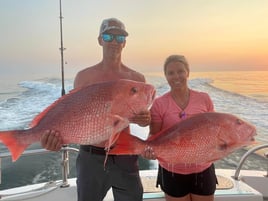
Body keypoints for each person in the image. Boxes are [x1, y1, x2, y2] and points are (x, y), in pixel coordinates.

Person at [41, 18, 151, 201]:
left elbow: (144, 117)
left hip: (124, 156)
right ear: (100, 40)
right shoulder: (84, 77)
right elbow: (71, 115)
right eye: (108, 36)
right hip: (90, 158)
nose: (114, 42)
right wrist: (54, 138)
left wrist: (145, 119)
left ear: (125, 43)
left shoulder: (137, 79)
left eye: (120, 37)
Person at [143, 55, 217, 201]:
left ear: (187, 73)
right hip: (171, 170)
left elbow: (213, 131)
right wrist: (148, 149)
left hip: (202, 168)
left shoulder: (204, 99)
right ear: (165, 76)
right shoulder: (159, 104)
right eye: (171, 73)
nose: (176, 76)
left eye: (180, 71)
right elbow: (154, 135)